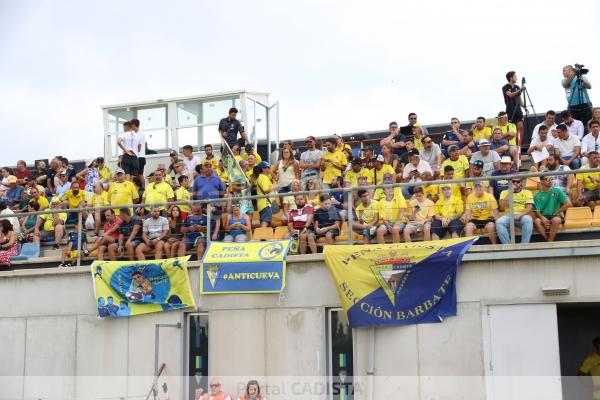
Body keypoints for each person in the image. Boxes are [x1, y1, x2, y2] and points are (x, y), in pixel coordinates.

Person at [533, 176, 572, 242]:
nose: (550, 181)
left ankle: (549, 242)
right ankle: (549, 241)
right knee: (537, 221)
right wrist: (542, 218)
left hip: (556, 215)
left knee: (556, 220)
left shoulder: (557, 191)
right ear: (541, 181)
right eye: (547, 179)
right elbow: (537, 211)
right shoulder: (537, 195)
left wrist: (557, 212)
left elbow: (569, 204)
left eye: (551, 179)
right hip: (544, 216)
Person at [497, 177, 534, 244]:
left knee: (528, 219)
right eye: (513, 181)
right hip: (508, 215)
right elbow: (502, 206)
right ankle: (508, 246)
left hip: (522, 215)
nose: (515, 183)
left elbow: (529, 207)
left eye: (517, 182)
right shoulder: (504, 192)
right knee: (499, 222)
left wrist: (520, 215)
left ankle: (524, 245)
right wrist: (510, 192)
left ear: (521, 183)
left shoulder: (527, 192)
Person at [254, 161, 277, 227]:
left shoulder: (260, 177)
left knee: (265, 222)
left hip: (262, 203)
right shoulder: (264, 177)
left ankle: (262, 236)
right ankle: (261, 236)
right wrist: (275, 186)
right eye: (268, 167)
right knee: (265, 222)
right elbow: (266, 190)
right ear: (263, 169)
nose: (269, 169)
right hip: (265, 204)